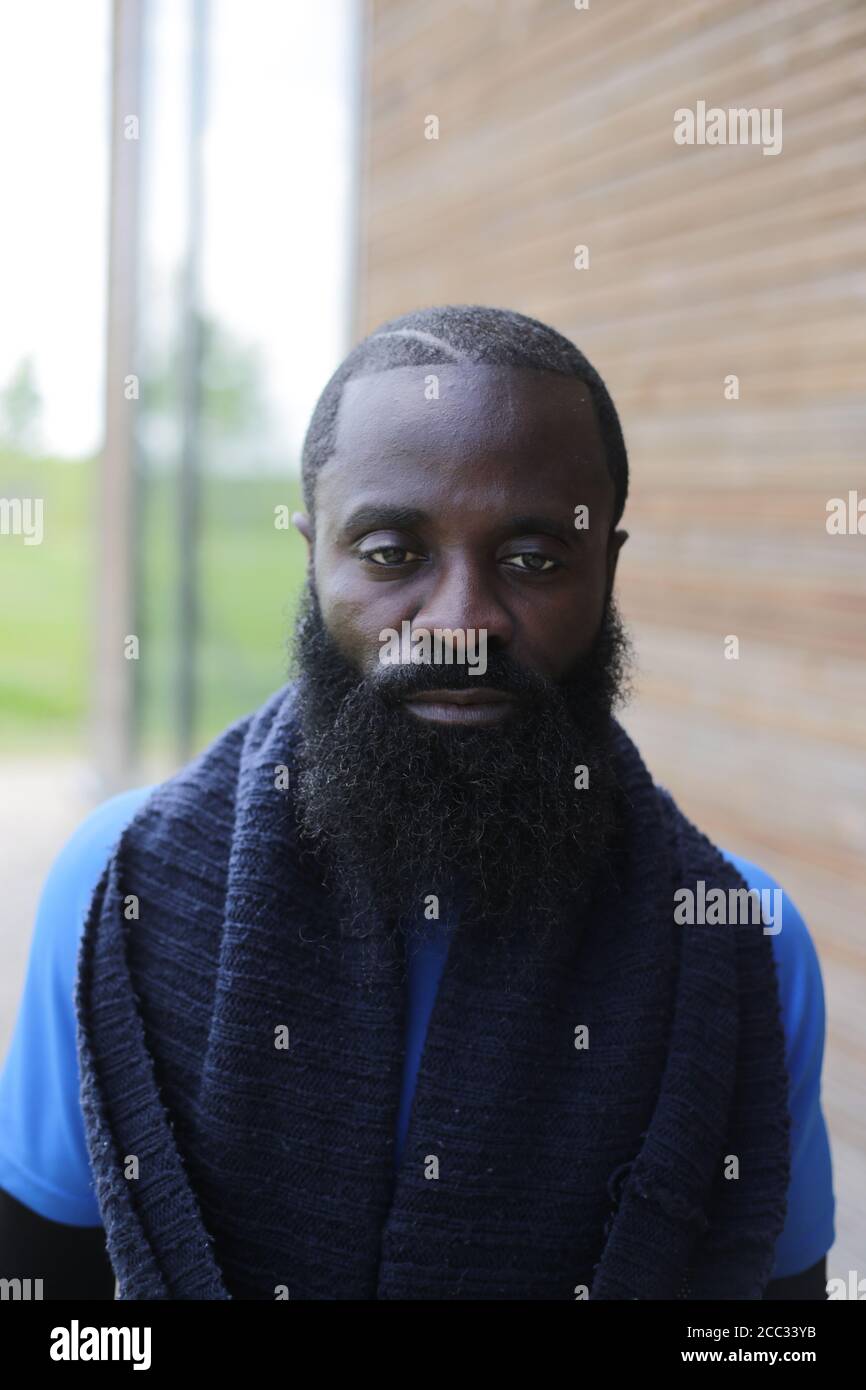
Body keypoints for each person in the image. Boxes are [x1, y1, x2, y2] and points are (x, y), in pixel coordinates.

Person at [0, 305, 834, 1300]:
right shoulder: (116, 888)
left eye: (532, 561)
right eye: (394, 551)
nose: (459, 622)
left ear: (606, 568)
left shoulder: (740, 943)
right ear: (312, 560)